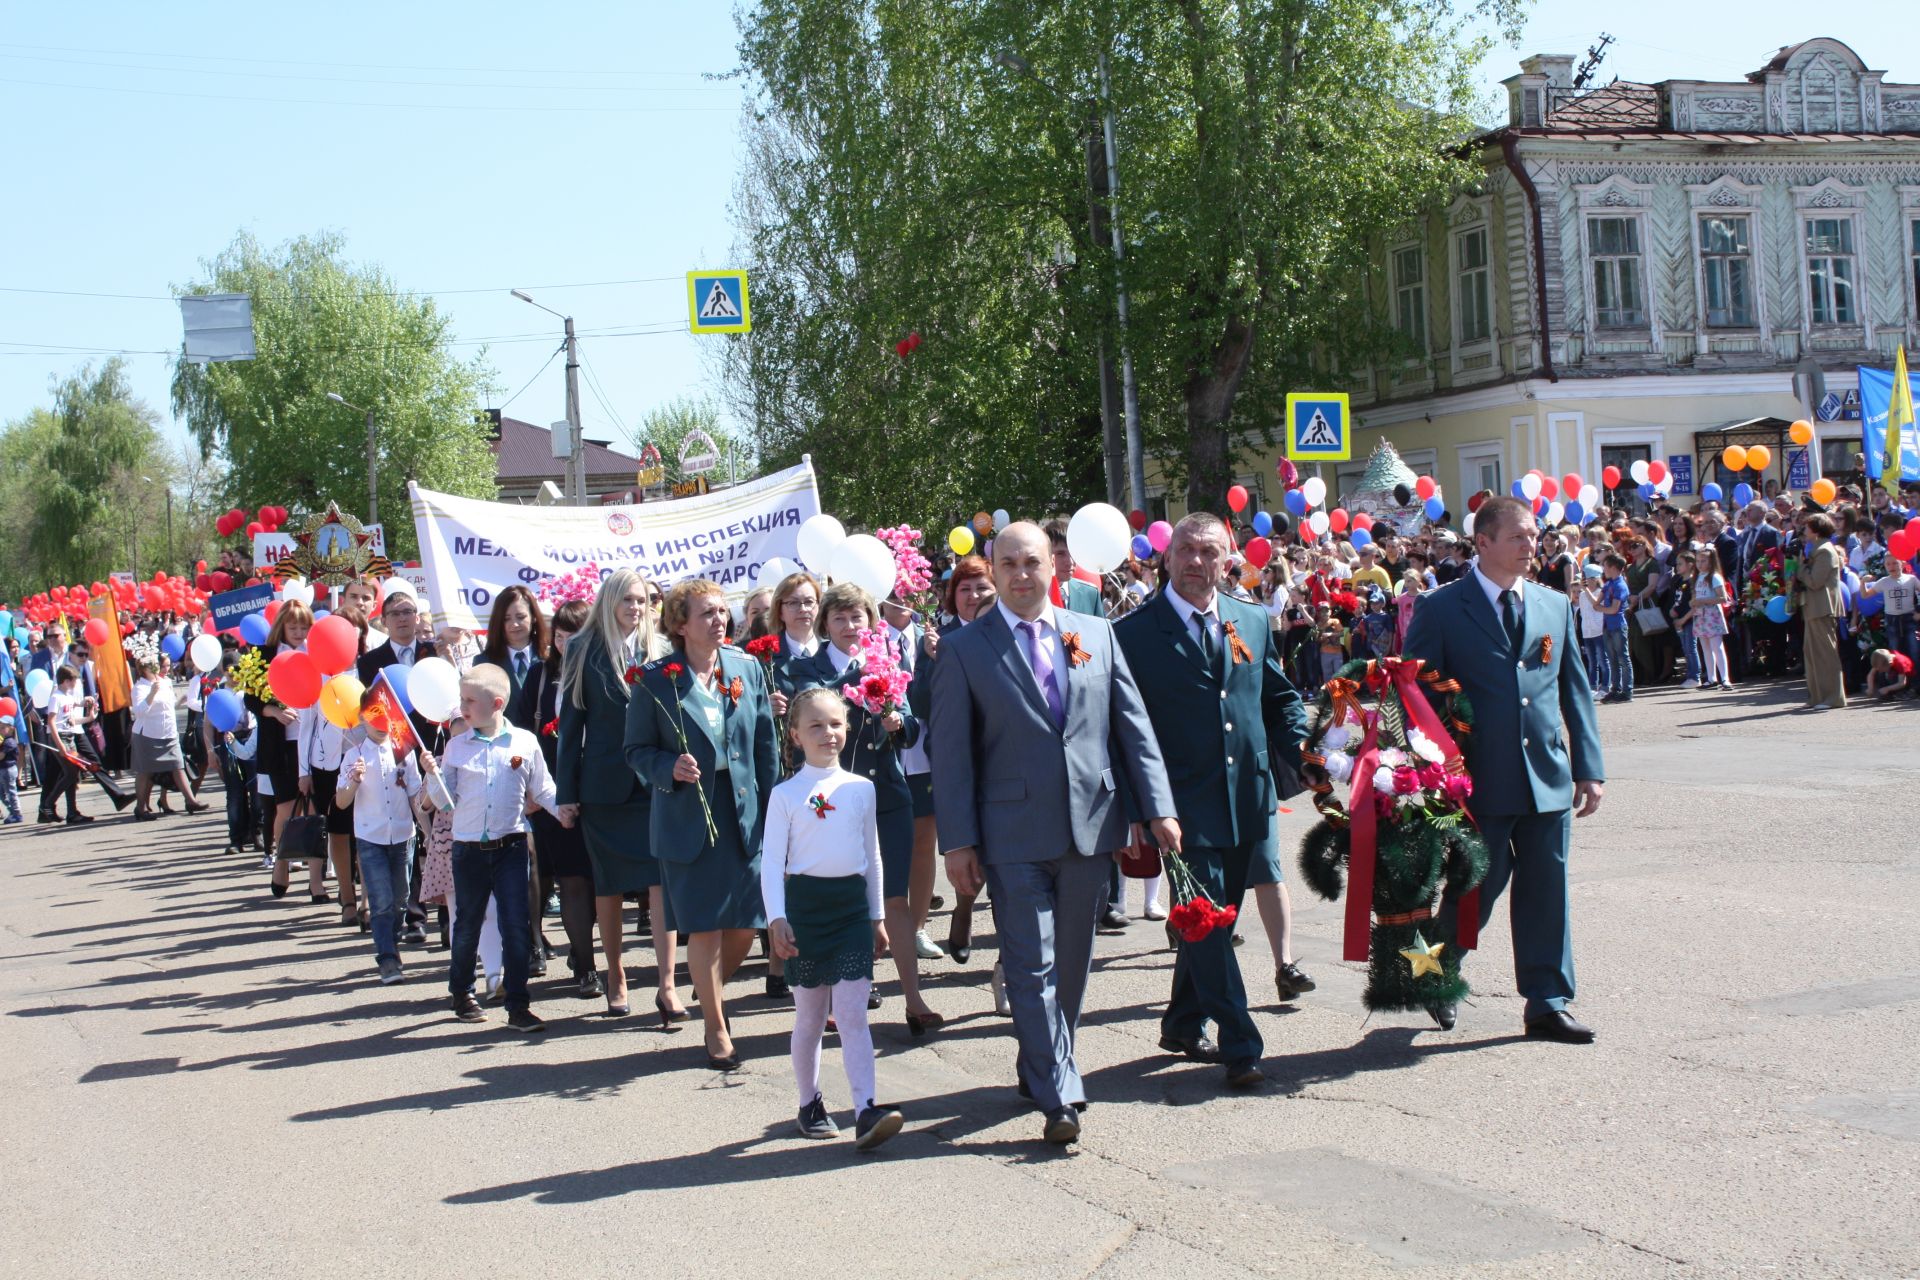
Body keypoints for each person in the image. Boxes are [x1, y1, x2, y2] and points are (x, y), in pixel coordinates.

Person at [929, 521, 1178, 1144]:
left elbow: (1133, 727)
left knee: (1072, 962)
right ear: (992, 569)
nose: (1020, 574)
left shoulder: (1095, 635)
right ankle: (1060, 1087)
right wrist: (957, 843)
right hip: (1009, 833)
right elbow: (953, 755)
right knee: (1029, 964)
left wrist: (1158, 808)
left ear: (1053, 568)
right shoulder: (965, 650)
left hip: (1090, 826)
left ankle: (1039, 1060)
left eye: (1031, 561)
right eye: (1007, 563)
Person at [1401, 495, 1605, 1044]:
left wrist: (1589, 766)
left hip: (1546, 776)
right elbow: (1416, 696)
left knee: (1546, 890)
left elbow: (1574, 692)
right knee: (1475, 889)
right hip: (1478, 781)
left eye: (1533, 536)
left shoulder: (1551, 605)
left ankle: (1548, 1000)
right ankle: (1438, 973)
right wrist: (1432, 769)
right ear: (1483, 543)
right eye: (1517, 537)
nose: (1529, 545)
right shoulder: (1442, 608)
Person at [1115, 514, 1307, 1088]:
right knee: (1206, 924)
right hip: (1179, 806)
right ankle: (1241, 1040)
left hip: (1248, 796)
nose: (1198, 562)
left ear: (1228, 562)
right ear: (1166, 559)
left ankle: (1180, 1021)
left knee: (1217, 921)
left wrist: (1304, 748)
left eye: (1210, 552)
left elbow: (1279, 696)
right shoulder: (1133, 634)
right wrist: (1142, 809)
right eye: (1187, 551)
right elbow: (1120, 730)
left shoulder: (1249, 618)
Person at [626, 578, 778, 1068]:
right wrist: (665, 768)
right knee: (705, 929)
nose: (719, 621)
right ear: (679, 624)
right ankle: (716, 1027)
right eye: (706, 614)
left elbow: (764, 745)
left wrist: (775, 807)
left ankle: (706, 991)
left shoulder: (746, 669)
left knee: (745, 928)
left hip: (742, 813)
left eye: (721, 612)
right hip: (687, 816)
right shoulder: (654, 679)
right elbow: (635, 750)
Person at [792, 582, 938, 1036]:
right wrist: (861, 689)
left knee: (893, 896)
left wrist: (899, 720)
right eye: (840, 618)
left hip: (887, 797)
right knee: (843, 898)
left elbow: (913, 730)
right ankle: (836, 997)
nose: (850, 627)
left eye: (858, 618)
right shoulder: (807, 669)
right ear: (826, 625)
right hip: (833, 800)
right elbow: (810, 712)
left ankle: (914, 999)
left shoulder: (886, 662)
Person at [764, 686, 903, 1149]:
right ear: (796, 736)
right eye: (816, 726)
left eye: (836, 723)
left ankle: (866, 1109)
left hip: (850, 910)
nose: (828, 733)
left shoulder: (861, 788)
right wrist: (776, 918)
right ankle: (810, 1102)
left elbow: (873, 855)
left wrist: (876, 915)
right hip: (805, 908)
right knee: (809, 1016)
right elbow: (771, 863)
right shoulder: (785, 794)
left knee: (853, 1016)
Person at [555, 569, 682, 1020]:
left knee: (660, 886)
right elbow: (571, 727)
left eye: (644, 600)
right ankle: (616, 974)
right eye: (627, 599)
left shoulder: (663, 649)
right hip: (604, 789)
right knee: (606, 887)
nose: (636, 607)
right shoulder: (581, 649)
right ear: (608, 602)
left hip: (654, 785)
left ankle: (667, 984)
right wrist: (565, 793)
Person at [422, 665, 563, 1034]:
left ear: (496, 703)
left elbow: (543, 788)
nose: (463, 707)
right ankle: (462, 993)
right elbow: (444, 800)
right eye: (461, 699)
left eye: (470, 701)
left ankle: (518, 1003)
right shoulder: (456, 746)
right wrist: (431, 776)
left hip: (511, 846)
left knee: (515, 925)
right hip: (468, 849)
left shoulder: (524, 743)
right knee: (467, 923)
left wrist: (562, 809)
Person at [515, 599, 602, 998]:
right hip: (553, 790)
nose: (567, 644)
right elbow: (521, 734)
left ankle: (583, 951)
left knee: (600, 882)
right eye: (561, 636)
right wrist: (531, 789)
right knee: (570, 880)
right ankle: (584, 966)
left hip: (601, 791)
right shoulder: (540, 674)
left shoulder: (603, 669)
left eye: (576, 635)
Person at [475, 585, 552, 976]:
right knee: (527, 858)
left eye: (521, 617)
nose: (515, 625)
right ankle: (532, 940)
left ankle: (538, 929)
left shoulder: (549, 658)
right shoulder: (484, 663)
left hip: (545, 767)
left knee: (549, 860)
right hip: (503, 772)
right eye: (507, 619)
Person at [335, 686, 424, 984]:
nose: (380, 721)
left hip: (402, 834)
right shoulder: (353, 755)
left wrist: (428, 829)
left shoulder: (404, 751)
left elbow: (416, 795)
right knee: (382, 899)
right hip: (370, 837)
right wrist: (353, 781)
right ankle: (386, 957)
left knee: (401, 898)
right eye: (373, 715)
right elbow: (341, 802)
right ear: (362, 718)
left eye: (384, 714)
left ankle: (391, 940)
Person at [298, 608, 369, 926]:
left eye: (352, 630)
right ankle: (347, 898)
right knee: (338, 831)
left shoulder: (367, 669)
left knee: (366, 831)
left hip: (366, 760)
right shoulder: (317, 673)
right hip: (326, 764)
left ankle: (369, 898)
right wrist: (303, 771)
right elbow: (306, 723)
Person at [127, 640, 207, 821]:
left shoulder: (164, 683)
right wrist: (151, 695)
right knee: (145, 771)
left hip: (168, 732)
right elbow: (139, 711)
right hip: (148, 734)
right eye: (153, 666)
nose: (157, 670)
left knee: (178, 765)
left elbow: (168, 705)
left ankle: (191, 800)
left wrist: (180, 702)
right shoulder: (140, 687)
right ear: (144, 669)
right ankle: (141, 807)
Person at [1795, 512, 1846, 710]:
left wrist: (1800, 569)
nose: (1804, 529)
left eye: (1807, 526)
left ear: (1816, 530)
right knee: (1812, 653)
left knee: (1826, 655)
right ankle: (1817, 696)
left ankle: (1833, 697)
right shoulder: (1816, 549)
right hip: (1813, 607)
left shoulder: (1825, 551)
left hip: (1823, 607)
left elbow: (1815, 581)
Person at [1686, 548, 1733, 690]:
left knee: (1716, 647)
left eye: (1703, 560)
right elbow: (1695, 596)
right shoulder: (1697, 577)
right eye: (1698, 561)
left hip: (1712, 614)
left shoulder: (1714, 577)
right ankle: (1711, 678)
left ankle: (1725, 678)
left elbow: (1723, 597)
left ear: (1711, 561)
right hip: (1700, 614)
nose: (1700, 564)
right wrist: (1693, 602)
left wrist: (1704, 600)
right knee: (1705, 648)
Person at [1596, 554, 1632, 703]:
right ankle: (1615, 689)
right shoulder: (1608, 584)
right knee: (1612, 659)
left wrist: (1600, 608)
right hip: (1607, 626)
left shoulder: (1620, 585)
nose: (1603, 569)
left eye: (1605, 566)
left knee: (1623, 658)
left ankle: (1627, 691)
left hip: (1618, 625)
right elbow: (1597, 604)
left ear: (1613, 567)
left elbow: (1614, 609)